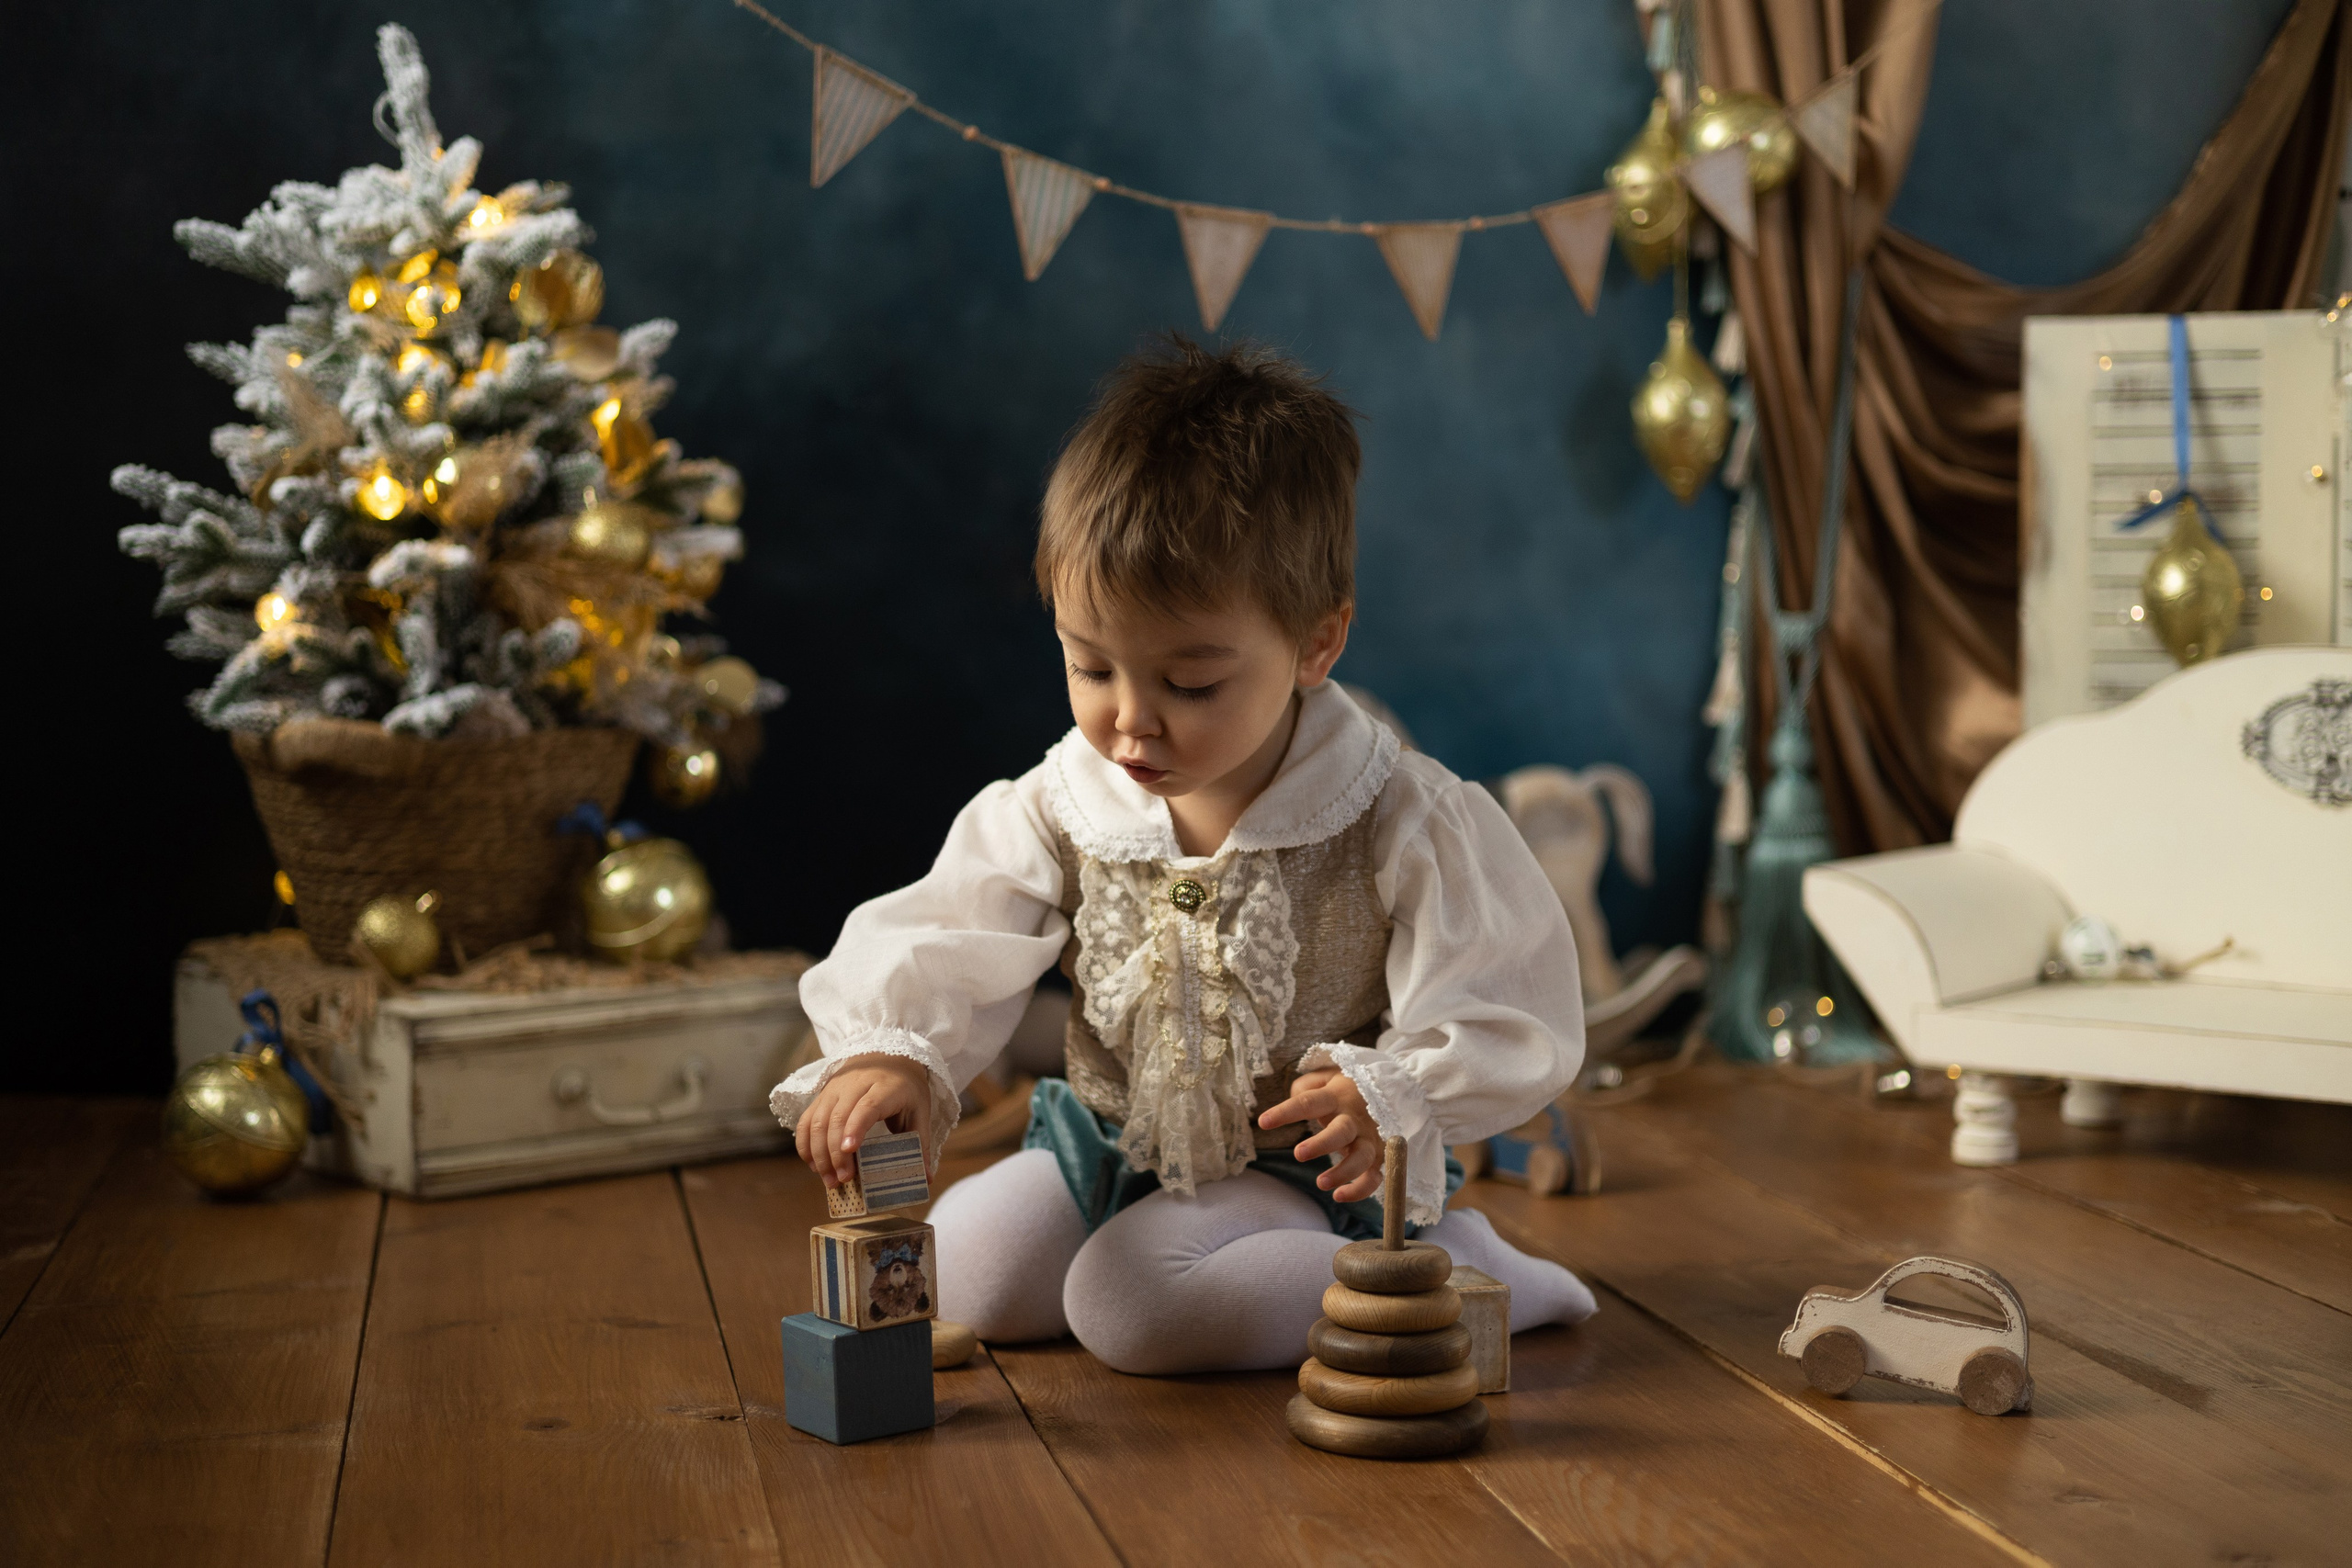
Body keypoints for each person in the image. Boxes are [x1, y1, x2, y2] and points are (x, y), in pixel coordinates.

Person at [772, 337, 1596, 1373]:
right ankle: (1174, 1256)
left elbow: (1502, 1000)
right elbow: (953, 923)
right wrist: (890, 1050)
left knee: (1130, 1307)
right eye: (1090, 666)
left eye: (1191, 684)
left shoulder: (1395, 810)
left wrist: (1391, 1097)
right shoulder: (1064, 798)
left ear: (1316, 644)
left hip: (1298, 1175)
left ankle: (1451, 1269)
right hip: (1104, 1145)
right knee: (967, 1276)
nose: (1130, 720)